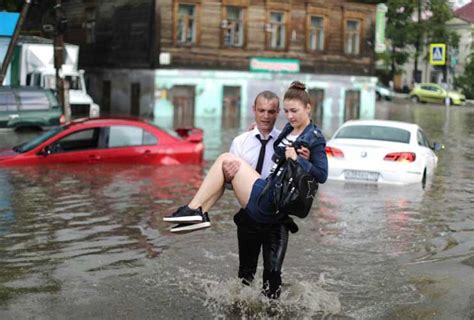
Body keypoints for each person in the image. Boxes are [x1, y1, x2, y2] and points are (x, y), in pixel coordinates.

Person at [163, 81, 328, 298]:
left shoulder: (304, 136)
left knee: (273, 281)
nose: (269, 116)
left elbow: (321, 174)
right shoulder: (259, 137)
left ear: (308, 108)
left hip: (275, 213)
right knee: (245, 276)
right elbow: (227, 183)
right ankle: (199, 212)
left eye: (274, 112)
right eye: (262, 111)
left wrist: (300, 160)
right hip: (253, 211)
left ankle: (196, 210)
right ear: (254, 111)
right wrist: (231, 176)